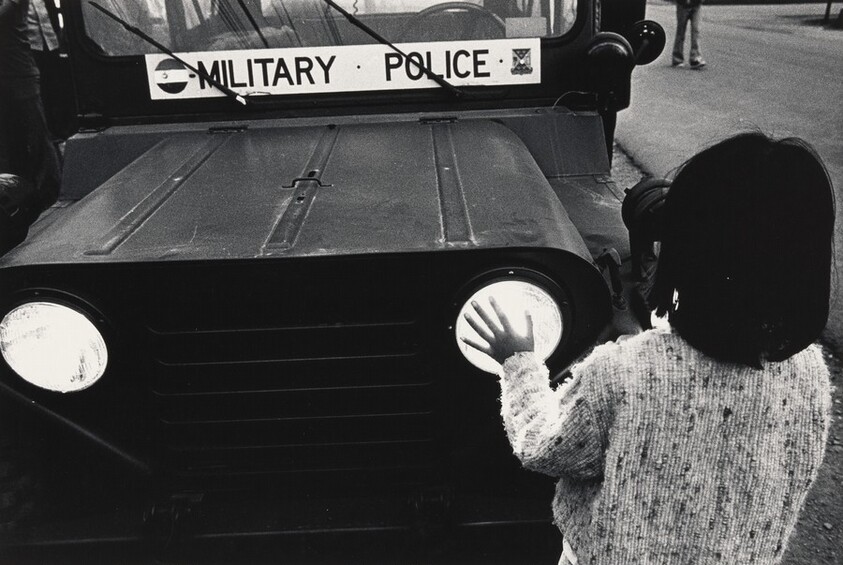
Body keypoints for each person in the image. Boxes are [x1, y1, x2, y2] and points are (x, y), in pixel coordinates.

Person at [462, 133, 834, 564]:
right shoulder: (810, 374)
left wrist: (518, 361)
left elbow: (544, 446)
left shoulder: (626, 371)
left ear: (684, 248)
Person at [0, 0, 60, 218]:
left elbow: (5, 14)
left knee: (38, 138)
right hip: (5, 78)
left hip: (20, 74)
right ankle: (20, 195)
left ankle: (52, 196)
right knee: (10, 143)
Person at [672, 0, 706, 69]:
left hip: (696, 4)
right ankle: (677, 59)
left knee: (696, 30)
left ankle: (695, 58)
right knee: (681, 31)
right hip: (683, 5)